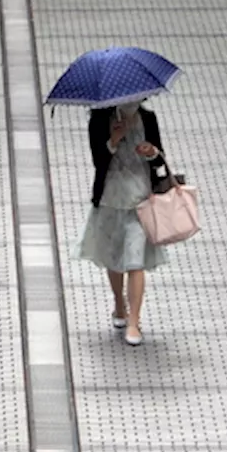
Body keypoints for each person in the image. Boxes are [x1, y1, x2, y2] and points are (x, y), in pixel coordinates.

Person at [76, 99, 171, 347]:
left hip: (141, 199)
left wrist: (152, 153)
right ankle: (119, 304)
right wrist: (113, 140)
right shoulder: (99, 121)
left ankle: (134, 320)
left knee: (135, 260)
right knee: (115, 257)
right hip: (110, 198)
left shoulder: (148, 119)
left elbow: (160, 160)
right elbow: (98, 160)